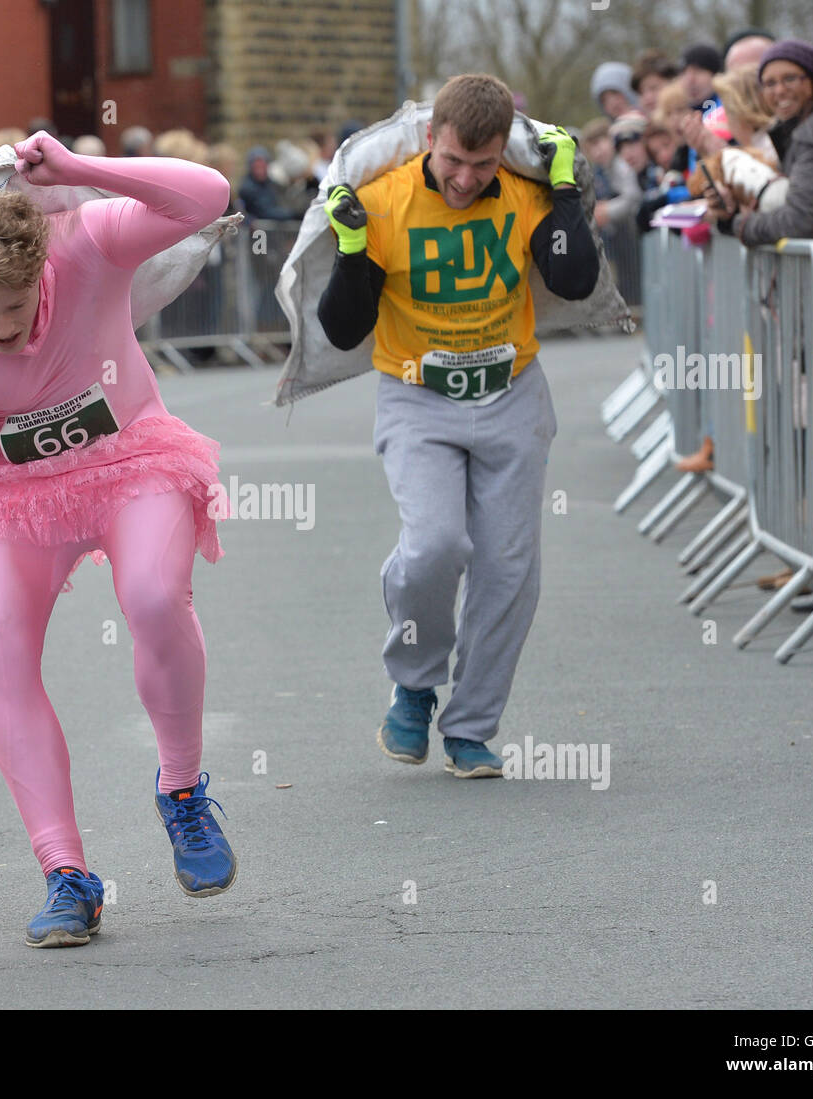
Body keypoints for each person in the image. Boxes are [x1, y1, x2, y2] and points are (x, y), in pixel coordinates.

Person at [0, 131, 237, 947]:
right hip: (9, 492)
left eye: (14, 301)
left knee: (151, 593)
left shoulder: (88, 241)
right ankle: (66, 872)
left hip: (130, 455)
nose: (3, 327)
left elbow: (207, 194)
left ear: (40, 259)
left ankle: (181, 792)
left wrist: (75, 170)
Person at [316, 74, 598, 776]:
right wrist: (353, 251)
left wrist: (566, 195)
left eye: (483, 163)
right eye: (452, 161)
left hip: (512, 394)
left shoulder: (528, 195)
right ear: (430, 142)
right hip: (419, 399)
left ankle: (470, 725)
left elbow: (575, 281)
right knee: (434, 543)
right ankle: (414, 683)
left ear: (504, 149)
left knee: (508, 568)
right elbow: (343, 327)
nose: (467, 178)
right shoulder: (384, 202)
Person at [711, 40, 813, 244]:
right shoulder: (801, 129)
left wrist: (737, 224)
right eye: (769, 83)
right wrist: (734, 211)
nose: (779, 90)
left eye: (789, 79)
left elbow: (799, 222)